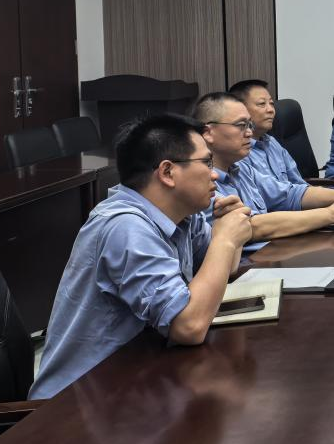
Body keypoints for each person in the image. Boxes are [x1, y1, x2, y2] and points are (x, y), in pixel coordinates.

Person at [30, 114, 254, 398]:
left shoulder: (183, 215)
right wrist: (225, 240)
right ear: (167, 172)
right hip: (78, 403)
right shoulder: (125, 227)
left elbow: (225, 268)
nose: (215, 175)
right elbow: (189, 326)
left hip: (136, 380)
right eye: (206, 163)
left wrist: (228, 230)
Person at [195, 93, 334, 238]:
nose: (249, 132)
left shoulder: (241, 169)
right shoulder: (201, 182)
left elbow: (289, 194)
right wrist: (331, 214)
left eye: (249, 125)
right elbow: (249, 227)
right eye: (241, 125)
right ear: (209, 132)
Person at [228, 78, 307, 187]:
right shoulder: (236, 152)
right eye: (262, 104)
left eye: (271, 103)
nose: (271, 110)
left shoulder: (272, 142)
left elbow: (299, 183)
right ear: (241, 109)